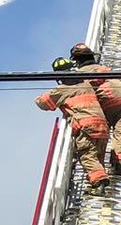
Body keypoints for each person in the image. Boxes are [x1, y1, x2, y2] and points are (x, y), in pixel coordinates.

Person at [34, 58, 112, 194]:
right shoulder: (86, 84)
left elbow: (44, 103)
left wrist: (37, 98)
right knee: (97, 157)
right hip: (102, 125)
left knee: (87, 155)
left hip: (86, 126)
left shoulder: (62, 89)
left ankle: (99, 183)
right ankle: (98, 185)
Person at [69, 43, 121, 180]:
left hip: (107, 105)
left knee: (98, 137)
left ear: (77, 60)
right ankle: (118, 163)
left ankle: (99, 175)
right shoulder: (105, 69)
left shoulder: (81, 75)